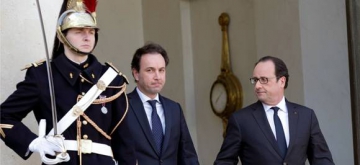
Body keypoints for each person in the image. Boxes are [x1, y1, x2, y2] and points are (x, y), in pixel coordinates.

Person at [0, 0, 136, 164]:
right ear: (62, 35)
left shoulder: (112, 79)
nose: (87, 37)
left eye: (91, 32)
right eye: (79, 31)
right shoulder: (43, 75)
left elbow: (124, 141)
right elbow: (4, 116)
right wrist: (34, 142)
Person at [214, 56, 334, 165]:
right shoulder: (241, 120)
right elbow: (224, 162)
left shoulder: (306, 116)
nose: (257, 86)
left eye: (264, 80)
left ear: (282, 81)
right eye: (255, 80)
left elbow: (322, 159)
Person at [123, 42, 199, 165]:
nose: (157, 76)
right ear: (136, 73)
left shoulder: (174, 109)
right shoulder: (122, 106)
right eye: (150, 70)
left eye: (161, 70)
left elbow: (187, 155)